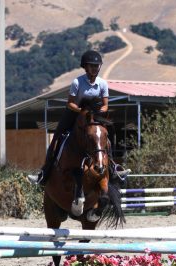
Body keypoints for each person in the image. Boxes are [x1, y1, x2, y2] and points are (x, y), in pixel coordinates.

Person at [29, 50, 129, 185]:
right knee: (57, 139)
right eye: (91, 66)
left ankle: (114, 168)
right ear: (85, 67)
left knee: (106, 137)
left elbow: (105, 105)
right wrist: (82, 111)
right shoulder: (77, 82)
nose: (94, 68)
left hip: (94, 114)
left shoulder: (103, 84)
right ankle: (44, 173)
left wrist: (98, 112)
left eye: (97, 66)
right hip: (74, 113)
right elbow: (70, 103)